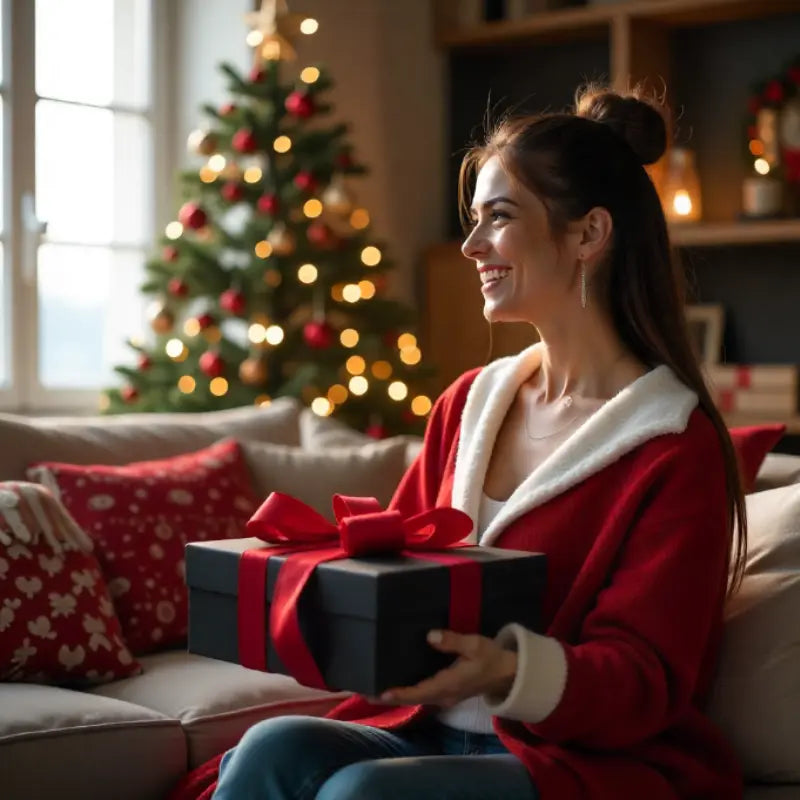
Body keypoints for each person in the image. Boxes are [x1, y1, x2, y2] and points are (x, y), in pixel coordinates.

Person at [178, 85, 747, 800]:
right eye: (474, 220)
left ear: (589, 234)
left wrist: (508, 670)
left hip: (566, 758)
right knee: (272, 747)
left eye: (499, 218)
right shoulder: (469, 403)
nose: (473, 246)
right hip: (423, 728)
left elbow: (646, 678)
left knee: (363, 793)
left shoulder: (672, 446)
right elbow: (403, 568)